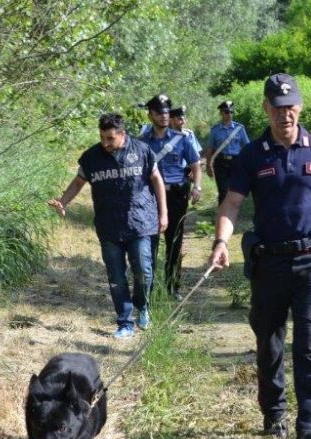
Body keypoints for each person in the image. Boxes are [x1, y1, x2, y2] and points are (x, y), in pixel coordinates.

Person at [208, 73, 311, 439]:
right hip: (269, 264)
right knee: (269, 344)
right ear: (266, 108)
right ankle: (274, 414)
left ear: (299, 107)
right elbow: (232, 204)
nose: (285, 114)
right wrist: (221, 242)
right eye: (277, 107)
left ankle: (309, 427)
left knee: (309, 345)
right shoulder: (252, 155)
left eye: (290, 107)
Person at [48, 113, 167, 339]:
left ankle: (143, 306)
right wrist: (63, 201)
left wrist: (164, 213)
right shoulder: (91, 157)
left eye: (110, 138)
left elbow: (157, 180)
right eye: (102, 137)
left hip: (141, 222)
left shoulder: (142, 151)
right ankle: (125, 323)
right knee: (116, 277)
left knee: (143, 271)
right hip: (109, 226)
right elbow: (78, 182)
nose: (105, 143)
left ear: (123, 134)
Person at [138, 94, 202, 300]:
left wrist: (197, 186)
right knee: (149, 242)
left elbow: (195, 164)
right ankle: (149, 287)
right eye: (159, 113)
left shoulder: (182, 139)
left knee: (174, 242)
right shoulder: (142, 142)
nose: (164, 116)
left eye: (166, 112)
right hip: (150, 196)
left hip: (176, 195)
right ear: (150, 115)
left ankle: (172, 287)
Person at [204, 100, 250, 205]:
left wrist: (247, 163)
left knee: (235, 190)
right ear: (221, 113)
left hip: (236, 162)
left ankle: (233, 211)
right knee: (223, 190)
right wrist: (208, 165)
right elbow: (210, 149)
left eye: (231, 112)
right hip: (221, 163)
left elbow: (247, 147)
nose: (229, 114)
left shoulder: (239, 129)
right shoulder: (215, 130)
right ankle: (222, 212)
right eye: (226, 112)